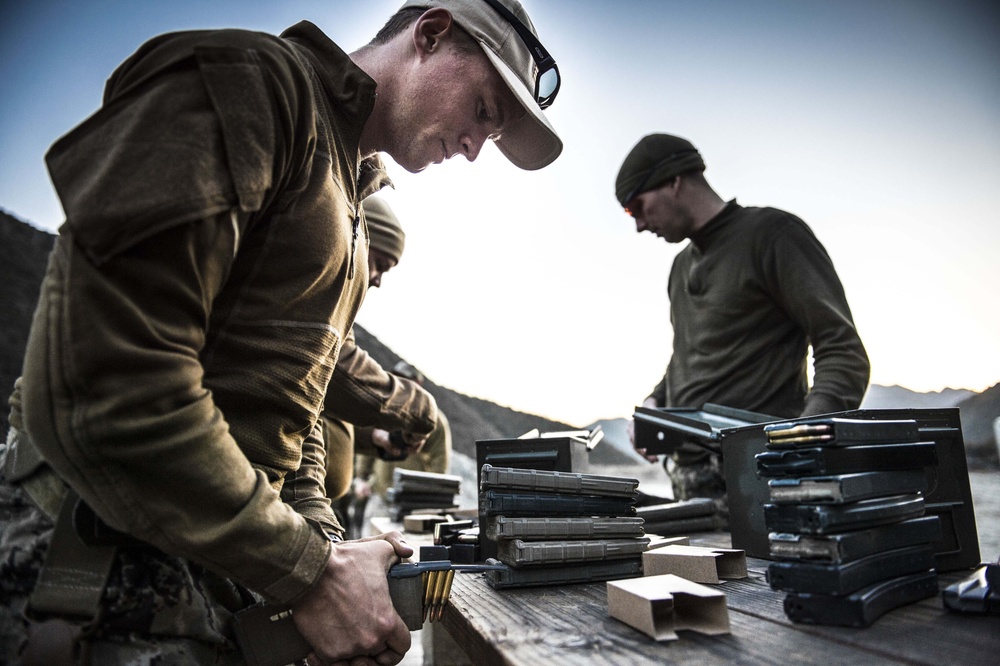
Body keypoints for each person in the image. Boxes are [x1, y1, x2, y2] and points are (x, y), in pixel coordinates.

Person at [0, 1, 562, 664]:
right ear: (432, 33)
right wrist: (311, 573)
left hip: (207, 575)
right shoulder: (252, 86)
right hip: (95, 572)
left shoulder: (345, 192)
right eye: (484, 110)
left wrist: (332, 552)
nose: (474, 147)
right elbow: (105, 387)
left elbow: (293, 417)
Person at [616, 133, 869, 520]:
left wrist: (802, 442)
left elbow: (842, 351)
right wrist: (654, 403)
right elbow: (687, 355)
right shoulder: (680, 267)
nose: (639, 226)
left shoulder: (773, 235)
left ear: (674, 181)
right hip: (688, 482)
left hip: (758, 474)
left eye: (637, 208)